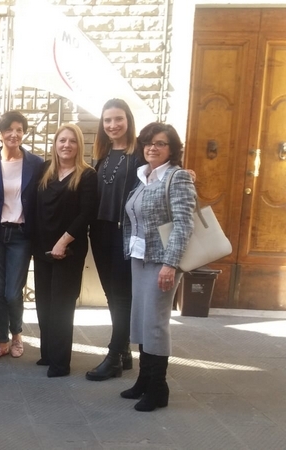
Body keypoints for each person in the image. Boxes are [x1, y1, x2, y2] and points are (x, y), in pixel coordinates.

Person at [121, 122, 195, 412]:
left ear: (172, 149)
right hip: (139, 257)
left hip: (162, 261)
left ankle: (158, 388)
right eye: (149, 143)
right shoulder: (144, 176)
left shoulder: (177, 177)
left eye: (160, 143)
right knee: (141, 319)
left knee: (155, 323)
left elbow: (183, 224)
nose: (152, 148)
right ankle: (144, 379)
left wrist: (170, 264)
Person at [0, 110, 44, 362]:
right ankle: (2, 342)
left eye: (19, 129)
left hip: (21, 235)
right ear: (0, 133)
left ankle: (17, 335)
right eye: (9, 129)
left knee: (13, 292)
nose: (14, 134)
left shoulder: (36, 164)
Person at [33, 124, 97, 377]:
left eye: (72, 141)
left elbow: (86, 213)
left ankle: (60, 363)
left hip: (69, 250)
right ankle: (48, 353)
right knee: (43, 304)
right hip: (42, 249)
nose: (66, 145)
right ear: (55, 144)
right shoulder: (44, 170)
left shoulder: (87, 175)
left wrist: (63, 242)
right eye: (62, 140)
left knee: (61, 306)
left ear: (79, 145)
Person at [86, 99, 142, 381]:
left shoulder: (140, 155)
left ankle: (114, 356)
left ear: (128, 120)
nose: (113, 125)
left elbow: (162, 177)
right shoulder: (102, 155)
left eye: (118, 119)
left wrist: (185, 172)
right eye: (107, 120)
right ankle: (124, 351)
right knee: (112, 293)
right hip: (100, 231)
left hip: (125, 233)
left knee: (121, 295)